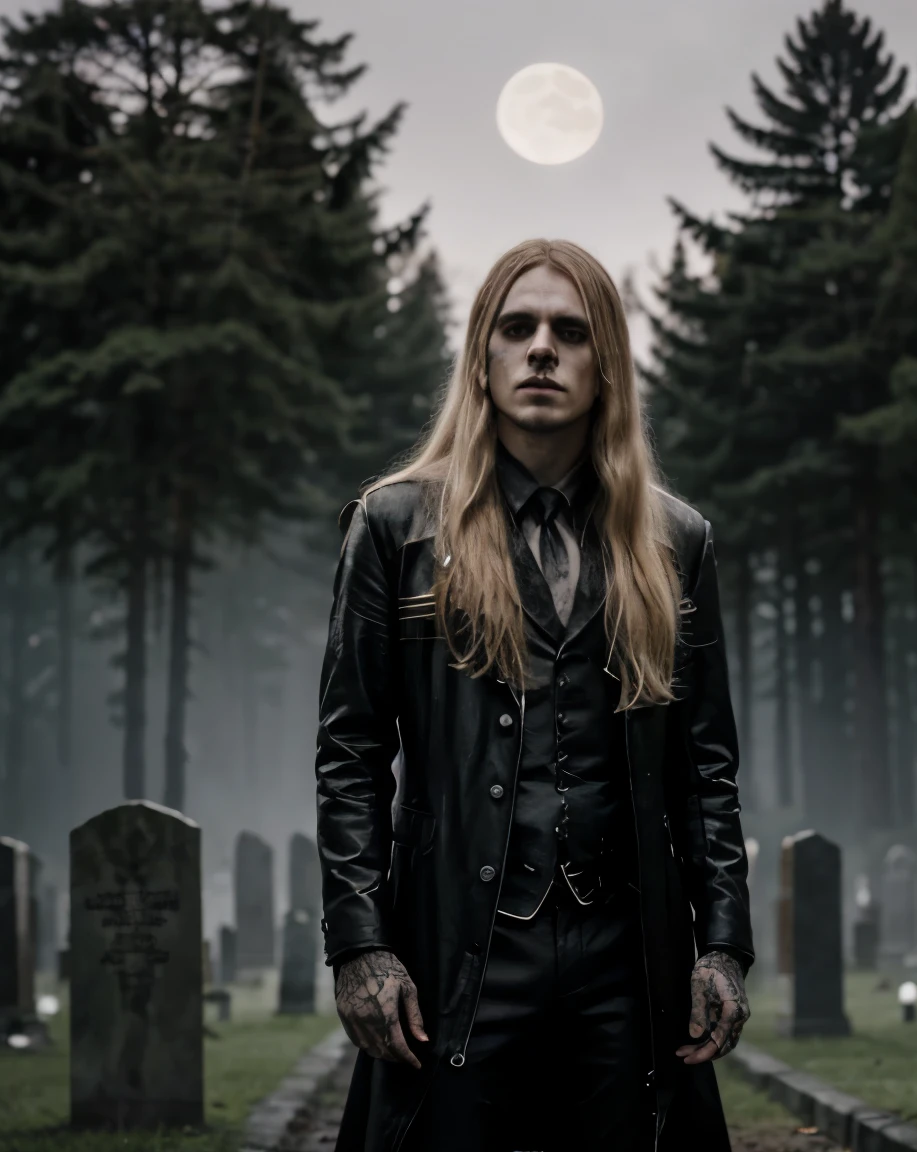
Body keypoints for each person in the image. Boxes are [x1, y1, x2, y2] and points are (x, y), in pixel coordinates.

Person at [315, 238, 753, 1152]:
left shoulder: (675, 543)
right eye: (518, 328)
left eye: (570, 331)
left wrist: (721, 945)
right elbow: (351, 754)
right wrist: (360, 945)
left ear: (607, 367)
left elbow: (705, 774)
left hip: (625, 962)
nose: (542, 349)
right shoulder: (395, 527)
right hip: (461, 949)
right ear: (483, 355)